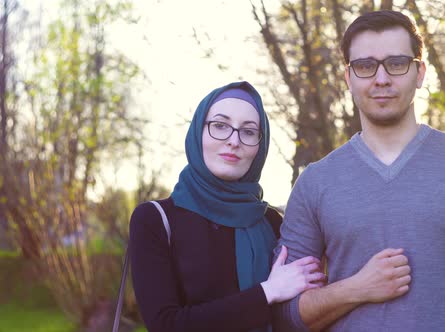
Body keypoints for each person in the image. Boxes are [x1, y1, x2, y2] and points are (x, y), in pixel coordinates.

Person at [274, 10, 445, 332]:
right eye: (365, 66)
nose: (381, 79)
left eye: (396, 63)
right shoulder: (315, 183)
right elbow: (287, 315)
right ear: (348, 78)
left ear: (420, 72)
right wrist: (356, 288)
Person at [129, 81, 326, 331]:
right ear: (197, 133)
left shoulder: (273, 223)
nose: (234, 141)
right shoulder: (154, 219)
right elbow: (166, 324)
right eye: (220, 126)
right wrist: (268, 292)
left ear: (261, 146)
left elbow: (294, 317)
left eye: (249, 131)